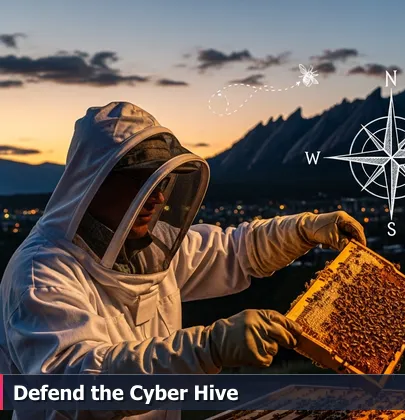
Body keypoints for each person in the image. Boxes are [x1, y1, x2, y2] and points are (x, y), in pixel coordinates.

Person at [0, 102, 367, 419]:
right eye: (140, 181)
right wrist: (207, 349)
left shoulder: (150, 248)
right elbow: (79, 384)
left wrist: (303, 230)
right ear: (94, 183)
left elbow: (233, 250)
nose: (158, 198)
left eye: (162, 181)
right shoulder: (42, 274)